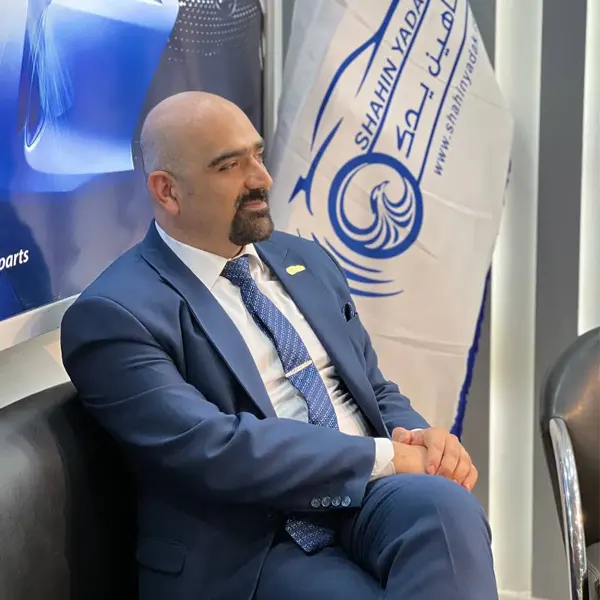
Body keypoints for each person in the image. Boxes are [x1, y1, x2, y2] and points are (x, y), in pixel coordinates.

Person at [60, 92, 497, 600]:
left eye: (258, 155)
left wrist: (421, 440)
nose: (262, 179)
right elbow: (217, 451)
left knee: (447, 510)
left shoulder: (303, 259)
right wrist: (386, 457)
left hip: (367, 496)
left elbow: (372, 388)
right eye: (230, 166)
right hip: (251, 542)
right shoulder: (115, 314)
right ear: (168, 191)